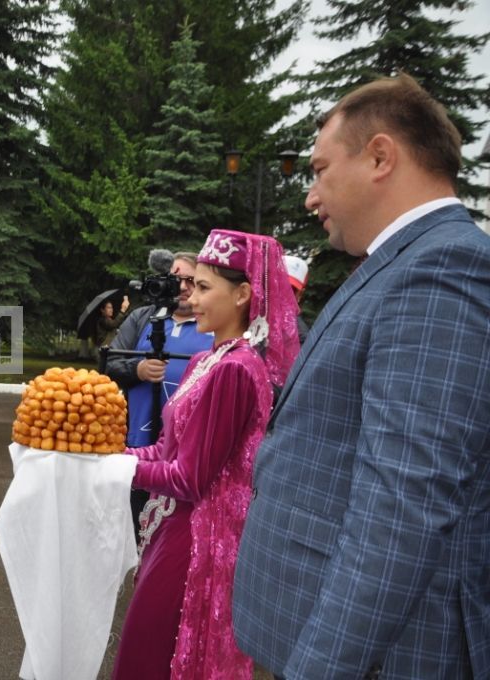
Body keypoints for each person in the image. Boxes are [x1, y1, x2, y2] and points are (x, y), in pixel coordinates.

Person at [232, 74, 490, 680]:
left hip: (374, 656)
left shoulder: (441, 268)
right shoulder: (405, 262)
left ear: (380, 156)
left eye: (320, 169)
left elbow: (402, 507)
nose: (310, 197)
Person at [112, 229, 299, 680]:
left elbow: (191, 478)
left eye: (203, 287)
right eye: (192, 285)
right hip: (174, 527)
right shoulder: (205, 361)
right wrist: (109, 455)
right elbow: (169, 447)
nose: (190, 297)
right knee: (145, 652)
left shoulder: (236, 369)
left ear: (243, 294)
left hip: (200, 540)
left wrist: (119, 468)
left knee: (147, 658)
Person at [106, 251, 214, 534]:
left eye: (192, 281)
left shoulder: (213, 325)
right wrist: (138, 369)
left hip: (188, 451)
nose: (182, 287)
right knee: (136, 527)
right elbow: (108, 363)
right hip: (138, 442)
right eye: (175, 279)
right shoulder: (142, 318)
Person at [283, 254, 310, 344]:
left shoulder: (300, 338)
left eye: (290, 290)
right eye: (276, 286)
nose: (280, 294)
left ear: (300, 295)